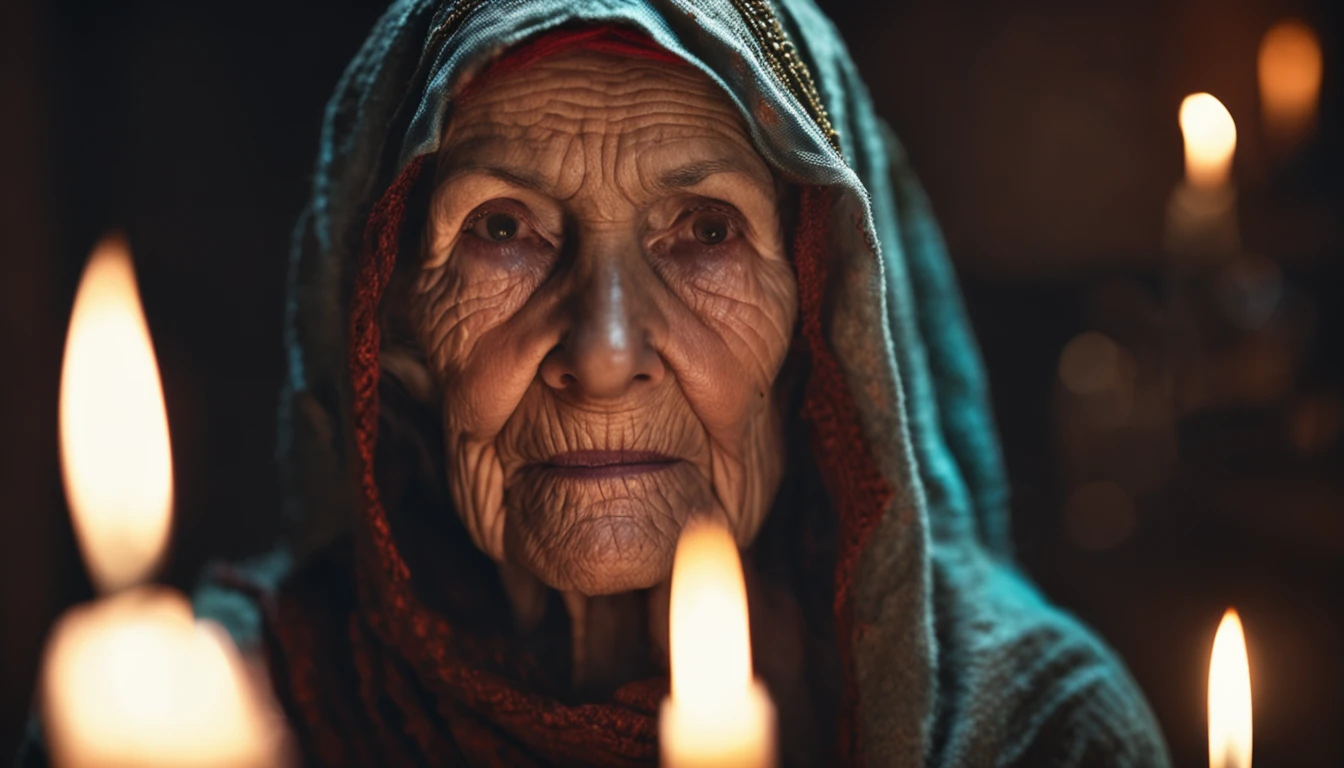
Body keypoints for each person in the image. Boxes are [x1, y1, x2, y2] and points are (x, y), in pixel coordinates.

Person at [29, 1, 1173, 766]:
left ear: (823, 323)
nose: (607, 347)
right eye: (504, 230)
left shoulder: (1039, 735)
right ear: (391, 332)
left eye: (706, 230)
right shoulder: (192, 713)